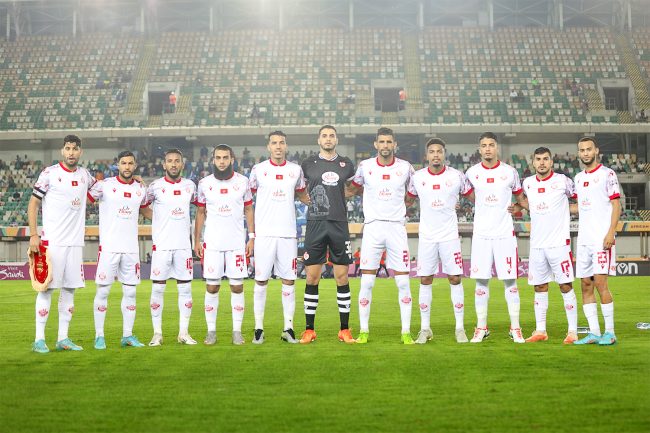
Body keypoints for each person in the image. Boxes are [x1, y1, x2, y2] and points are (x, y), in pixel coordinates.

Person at [347, 127, 417, 344]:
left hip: (396, 228)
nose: (385, 145)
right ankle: (364, 331)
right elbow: (353, 189)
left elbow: (412, 194)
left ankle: (406, 332)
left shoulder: (406, 168)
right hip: (373, 228)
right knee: (367, 282)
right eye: (382, 142)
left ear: (394, 144)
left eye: (389, 142)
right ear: (376, 144)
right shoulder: (365, 167)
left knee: (403, 283)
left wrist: (399, 209)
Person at [28, 135, 96, 353]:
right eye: (68, 148)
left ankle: (63, 338)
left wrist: (134, 181)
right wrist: (33, 235)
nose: (71, 152)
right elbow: (33, 203)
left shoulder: (85, 175)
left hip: (74, 244)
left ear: (80, 152)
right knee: (46, 290)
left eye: (75, 149)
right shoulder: (49, 174)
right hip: (53, 243)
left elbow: (102, 190)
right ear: (62, 150)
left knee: (69, 290)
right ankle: (39, 339)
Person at [465, 132, 528, 343]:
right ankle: (481, 327)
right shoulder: (472, 173)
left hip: (504, 234)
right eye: (484, 145)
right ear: (479, 149)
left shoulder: (510, 172)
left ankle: (515, 328)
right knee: (481, 281)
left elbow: (521, 199)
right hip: (481, 235)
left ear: (496, 147)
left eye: (491, 145)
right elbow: (470, 196)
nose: (488, 149)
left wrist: (519, 208)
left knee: (510, 281)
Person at [410, 138, 473, 344]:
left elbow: (474, 197)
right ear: (426, 155)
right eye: (432, 151)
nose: (436, 155)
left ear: (444, 154)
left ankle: (460, 328)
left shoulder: (457, 176)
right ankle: (425, 329)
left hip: (449, 236)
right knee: (425, 279)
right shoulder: (417, 177)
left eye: (439, 151)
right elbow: (406, 200)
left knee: (455, 278)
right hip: (427, 237)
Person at [248, 130, 308, 344]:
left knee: (289, 281)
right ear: (268, 147)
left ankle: (288, 328)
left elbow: (302, 194)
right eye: (274, 143)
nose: (278, 146)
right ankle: (258, 329)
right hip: (264, 234)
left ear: (286, 146)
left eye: (282, 142)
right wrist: (251, 234)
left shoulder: (296, 170)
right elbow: (248, 199)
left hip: (288, 234)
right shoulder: (258, 170)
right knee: (260, 281)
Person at [298, 125, 356, 344]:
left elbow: (353, 188)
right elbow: (299, 188)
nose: (328, 139)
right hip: (315, 224)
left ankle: (344, 330)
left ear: (336, 140)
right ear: (318, 140)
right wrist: (306, 199)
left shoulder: (346, 164)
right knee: (312, 277)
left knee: (342, 277)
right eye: (324, 136)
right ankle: (309, 330)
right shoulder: (308, 164)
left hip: (339, 224)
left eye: (332, 136)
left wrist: (340, 198)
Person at [516, 147, 579, 344]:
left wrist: (567, 209)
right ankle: (540, 330)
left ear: (551, 162)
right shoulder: (527, 183)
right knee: (539, 286)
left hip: (559, 244)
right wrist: (517, 207)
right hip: (537, 244)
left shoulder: (563, 181)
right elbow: (530, 205)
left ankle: (572, 331)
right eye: (538, 159)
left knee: (565, 285)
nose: (542, 162)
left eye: (545, 159)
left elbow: (582, 200)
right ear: (533, 162)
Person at [194, 144, 255, 346]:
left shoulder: (243, 182)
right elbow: (200, 213)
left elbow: (248, 210)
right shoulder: (204, 184)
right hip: (212, 243)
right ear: (213, 160)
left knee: (237, 287)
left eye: (225, 157)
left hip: (236, 243)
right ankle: (211, 331)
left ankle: (237, 331)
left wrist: (252, 237)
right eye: (218, 158)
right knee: (212, 287)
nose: (221, 161)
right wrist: (197, 240)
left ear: (232, 159)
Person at [88, 151, 149, 350]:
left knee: (130, 292)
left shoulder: (140, 188)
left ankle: (127, 335)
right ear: (118, 165)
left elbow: (146, 210)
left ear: (135, 166)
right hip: (109, 248)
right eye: (123, 163)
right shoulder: (104, 185)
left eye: (130, 163)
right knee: (103, 291)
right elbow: (83, 198)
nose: (127, 166)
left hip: (131, 249)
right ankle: (99, 336)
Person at [145, 148, 198, 346]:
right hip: (162, 246)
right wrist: (159, 219)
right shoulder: (155, 187)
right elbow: (142, 206)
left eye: (177, 161)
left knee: (185, 289)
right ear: (164, 164)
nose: (173, 164)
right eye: (170, 161)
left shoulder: (190, 186)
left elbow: (201, 208)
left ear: (182, 164)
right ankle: (157, 333)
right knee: (158, 289)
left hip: (183, 246)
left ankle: (183, 333)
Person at [572, 137, 621, 346]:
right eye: (582, 150)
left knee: (600, 283)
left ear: (596, 151)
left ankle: (610, 333)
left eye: (588, 149)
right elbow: (579, 207)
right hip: (584, 240)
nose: (585, 153)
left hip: (601, 239)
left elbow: (616, 205)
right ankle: (593, 333)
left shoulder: (607, 174)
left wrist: (611, 233)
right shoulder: (577, 178)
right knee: (585, 285)